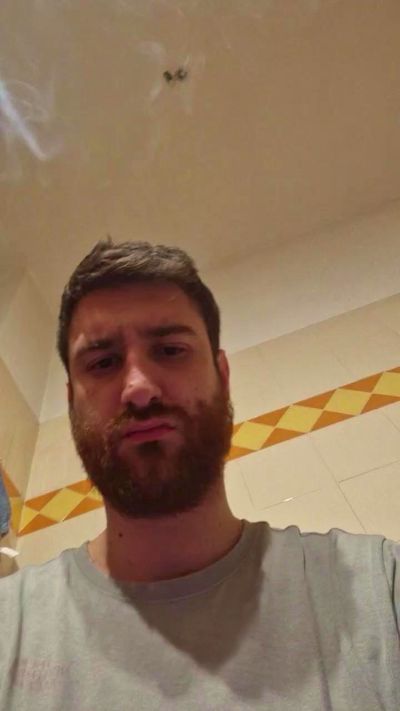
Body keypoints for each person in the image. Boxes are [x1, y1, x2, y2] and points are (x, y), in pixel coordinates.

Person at [0, 239, 399, 711]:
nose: (139, 388)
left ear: (222, 376)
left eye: (170, 350)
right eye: (103, 363)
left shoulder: (379, 593)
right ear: (71, 403)